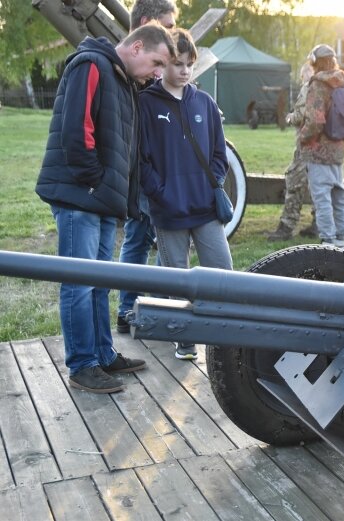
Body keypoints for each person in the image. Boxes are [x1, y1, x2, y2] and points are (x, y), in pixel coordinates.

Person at [35, 24, 175, 393]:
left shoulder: (124, 80)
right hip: (81, 197)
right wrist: (95, 181)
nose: (158, 72)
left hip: (101, 200)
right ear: (138, 46)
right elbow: (76, 131)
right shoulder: (91, 65)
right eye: (156, 61)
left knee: (100, 284)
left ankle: (102, 353)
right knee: (79, 284)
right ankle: (82, 364)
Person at [138, 28, 233, 361]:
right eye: (177, 63)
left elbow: (219, 155)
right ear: (163, 63)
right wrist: (161, 194)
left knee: (222, 273)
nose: (184, 71)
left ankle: (223, 337)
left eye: (189, 64)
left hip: (205, 208)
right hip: (168, 212)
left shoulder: (204, 103)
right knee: (176, 279)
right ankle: (184, 338)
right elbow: (141, 161)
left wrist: (212, 185)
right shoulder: (146, 104)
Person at [116, 0, 178, 335]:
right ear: (147, 23)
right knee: (140, 235)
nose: (173, 32)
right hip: (143, 168)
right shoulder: (136, 69)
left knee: (151, 236)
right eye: (167, 25)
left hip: (160, 166)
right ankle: (130, 309)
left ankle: (146, 307)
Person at [298, 44, 344, 248]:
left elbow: (315, 121)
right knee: (338, 195)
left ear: (314, 62)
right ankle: (341, 240)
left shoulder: (318, 84)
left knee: (322, 199)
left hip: (318, 151)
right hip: (338, 149)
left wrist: (303, 138)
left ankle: (328, 242)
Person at [267, 61, 318, 241]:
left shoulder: (309, 88)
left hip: (306, 144)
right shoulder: (323, 88)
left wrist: (290, 118)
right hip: (319, 147)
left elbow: (302, 115)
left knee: (294, 181)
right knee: (316, 184)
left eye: (304, 74)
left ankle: (286, 227)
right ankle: (318, 224)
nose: (303, 78)